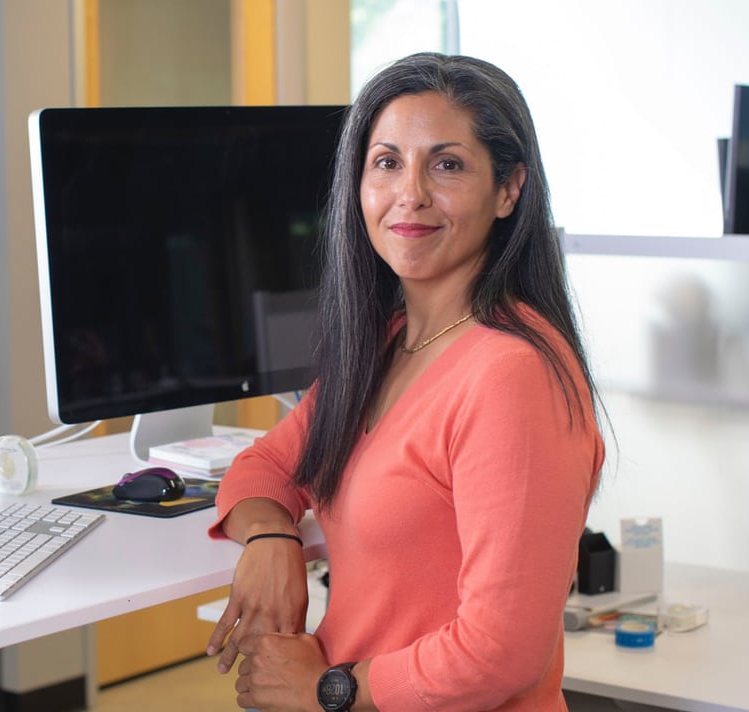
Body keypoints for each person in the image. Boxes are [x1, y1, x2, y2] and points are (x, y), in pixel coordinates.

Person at [204, 52, 607, 712]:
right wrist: (271, 537)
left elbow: (501, 650)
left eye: (447, 165)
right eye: (387, 162)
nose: (410, 193)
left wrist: (327, 689)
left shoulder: (513, 374)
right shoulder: (386, 344)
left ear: (509, 189)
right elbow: (265, 465)